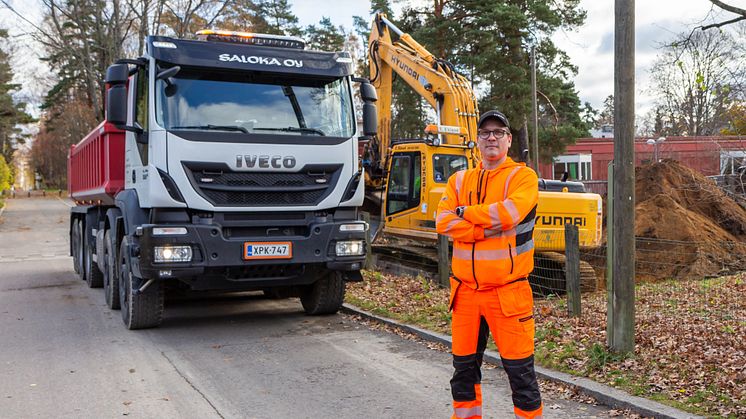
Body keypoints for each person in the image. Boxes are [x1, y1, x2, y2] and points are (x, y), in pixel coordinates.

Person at [436, 110, 542, 419]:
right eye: (485, 133)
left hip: (507, 294)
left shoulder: (522, 177)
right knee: (463, 374)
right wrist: (484, 227)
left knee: (520, 375)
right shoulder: (459, 179)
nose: (491, 137)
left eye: (498, 132)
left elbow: (508, 214)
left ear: (509, 139)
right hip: (465, 294)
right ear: (477, 141)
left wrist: (464, 213)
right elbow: (443, 220)